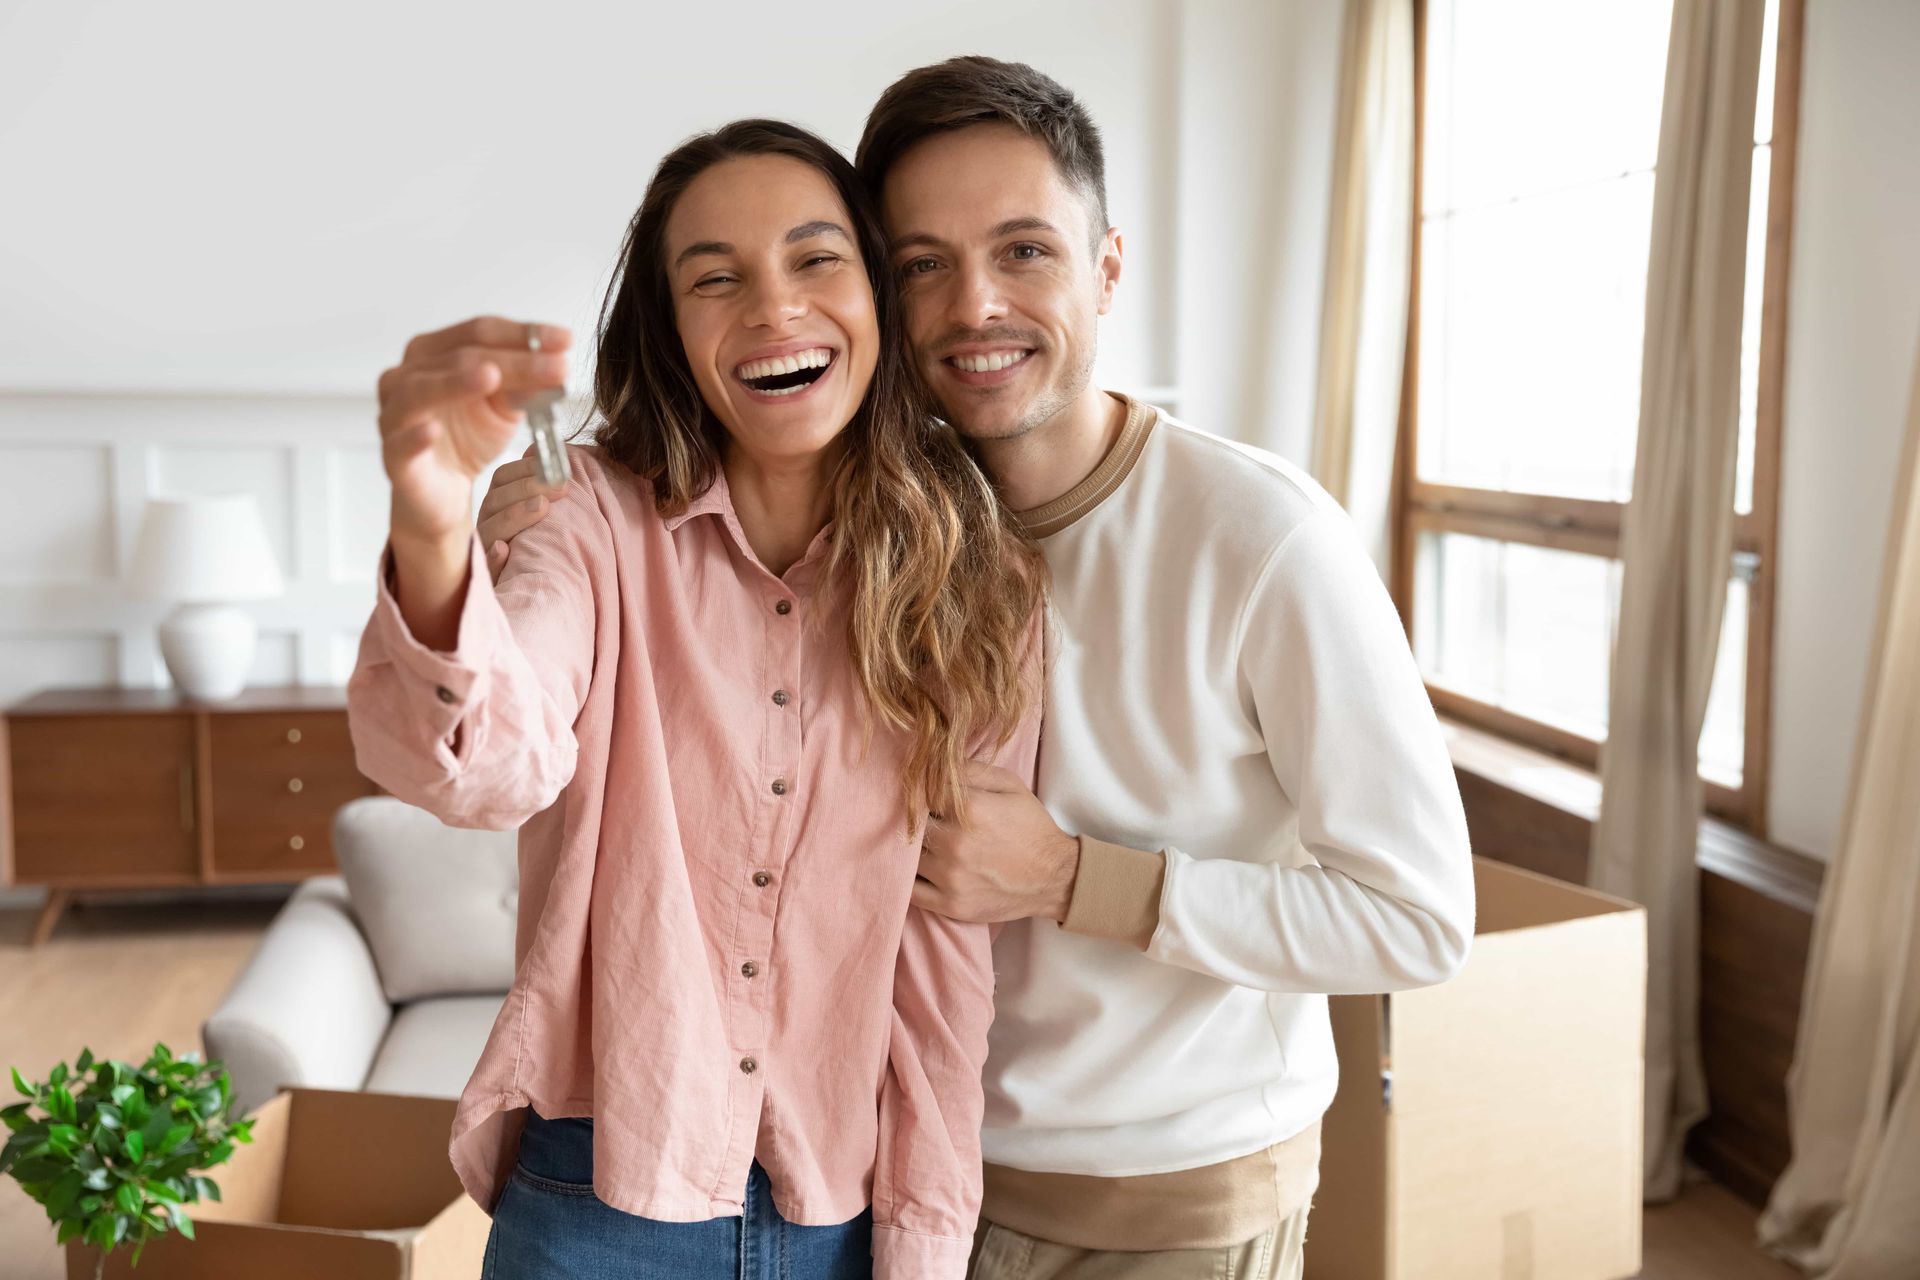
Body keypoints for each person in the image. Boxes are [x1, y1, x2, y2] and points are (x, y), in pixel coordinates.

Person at [480, 57, 1477, 1280]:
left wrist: (1074, 876)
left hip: (1152, 1206)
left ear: (1106, 266)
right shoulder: (874, 534)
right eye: (921, 266)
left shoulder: (1264, 538)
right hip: (884, 1188)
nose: (972, 308)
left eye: (1025, 252)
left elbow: (1420, 920)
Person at [350, 118, 1045, 1280]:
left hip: (843, 1211)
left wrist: (921, 1247)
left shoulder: (972, 578)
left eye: (816, 259)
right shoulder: (586, 521)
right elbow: (488, 767)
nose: (773, 308)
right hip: (596, 1198)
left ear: (877, 293)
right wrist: (430, 521)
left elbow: (945, 966)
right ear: (671, 333)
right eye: (714, 278)